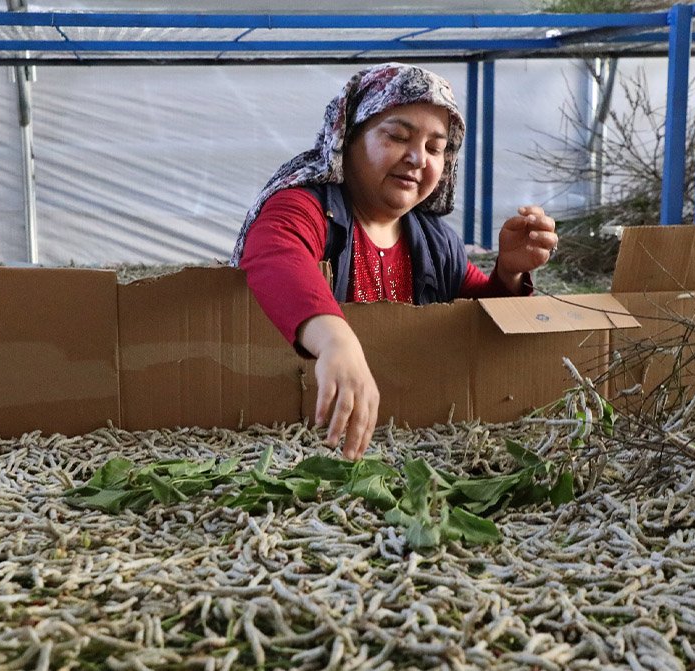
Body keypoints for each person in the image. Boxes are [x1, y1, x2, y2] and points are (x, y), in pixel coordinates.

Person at [232, 62, 557, 461]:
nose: (418, 158)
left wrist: (509, 271)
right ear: (348, 138)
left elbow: (474, 317)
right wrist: (336, 341)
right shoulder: (307, 207)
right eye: (398, 136)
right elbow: (277, 254)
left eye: (436, 148)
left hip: (410, 433)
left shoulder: (436, 242)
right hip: (304, 431)